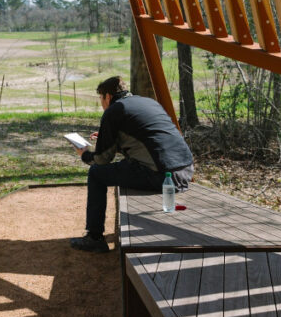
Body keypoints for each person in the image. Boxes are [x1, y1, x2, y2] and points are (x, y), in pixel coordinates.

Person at [70, 76, 194, 253]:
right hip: (185, 170)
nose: (101, 104)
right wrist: (111, 138)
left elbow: (103, 159)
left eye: (101, 99)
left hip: (160, 175)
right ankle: (95, 237)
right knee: (123, 165)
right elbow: (150, 139)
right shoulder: (148, 103)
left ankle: (95, 238)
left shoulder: (113, 111)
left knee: (96, 173)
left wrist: (84, 155)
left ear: (107, 96)